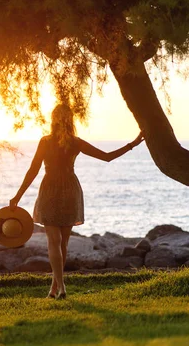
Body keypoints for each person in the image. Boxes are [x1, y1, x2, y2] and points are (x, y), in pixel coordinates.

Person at [9, 104, 144, 299]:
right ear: (70, 120)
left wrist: (17, 196)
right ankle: (55, 289)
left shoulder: (45, 142)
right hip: (70, 191)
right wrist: (133, 144)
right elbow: (107, 157)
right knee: (63, 244)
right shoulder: (76, 142)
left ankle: (59, 287)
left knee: (53, 243)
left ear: (53, 120)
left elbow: (33, 170)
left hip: (50, 190)